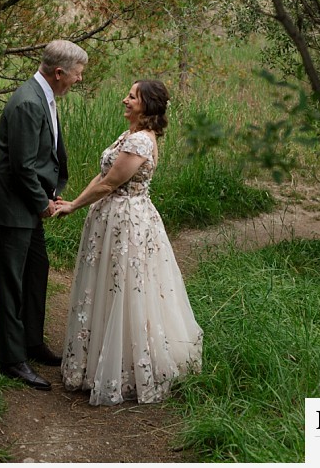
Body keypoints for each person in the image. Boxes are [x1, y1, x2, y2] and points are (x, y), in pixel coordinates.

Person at [53, 79, 203, 406]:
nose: (125, 99)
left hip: (127, 222)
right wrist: (75, 201)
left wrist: (74, 206)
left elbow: (110, 183)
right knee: (106, 286)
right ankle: (96, 362)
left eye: (132, 97)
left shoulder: (141, 143)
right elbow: (103, 174)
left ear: (146, 106)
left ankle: (125, 370)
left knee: (125, 289)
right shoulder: (129, 136)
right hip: (111, 219)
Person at [0, 40, 89, 391]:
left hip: (28, 204)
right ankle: (13, 360)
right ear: (59, 73)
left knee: (37, 272)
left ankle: (32, 343)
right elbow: (23, 166)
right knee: (11, 284)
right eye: (78, 74)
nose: (79, 80)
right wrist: (43, 204)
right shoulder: (27, 102)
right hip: (10, 209)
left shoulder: (45, 96)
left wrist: (49, 195)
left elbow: (42, 157)